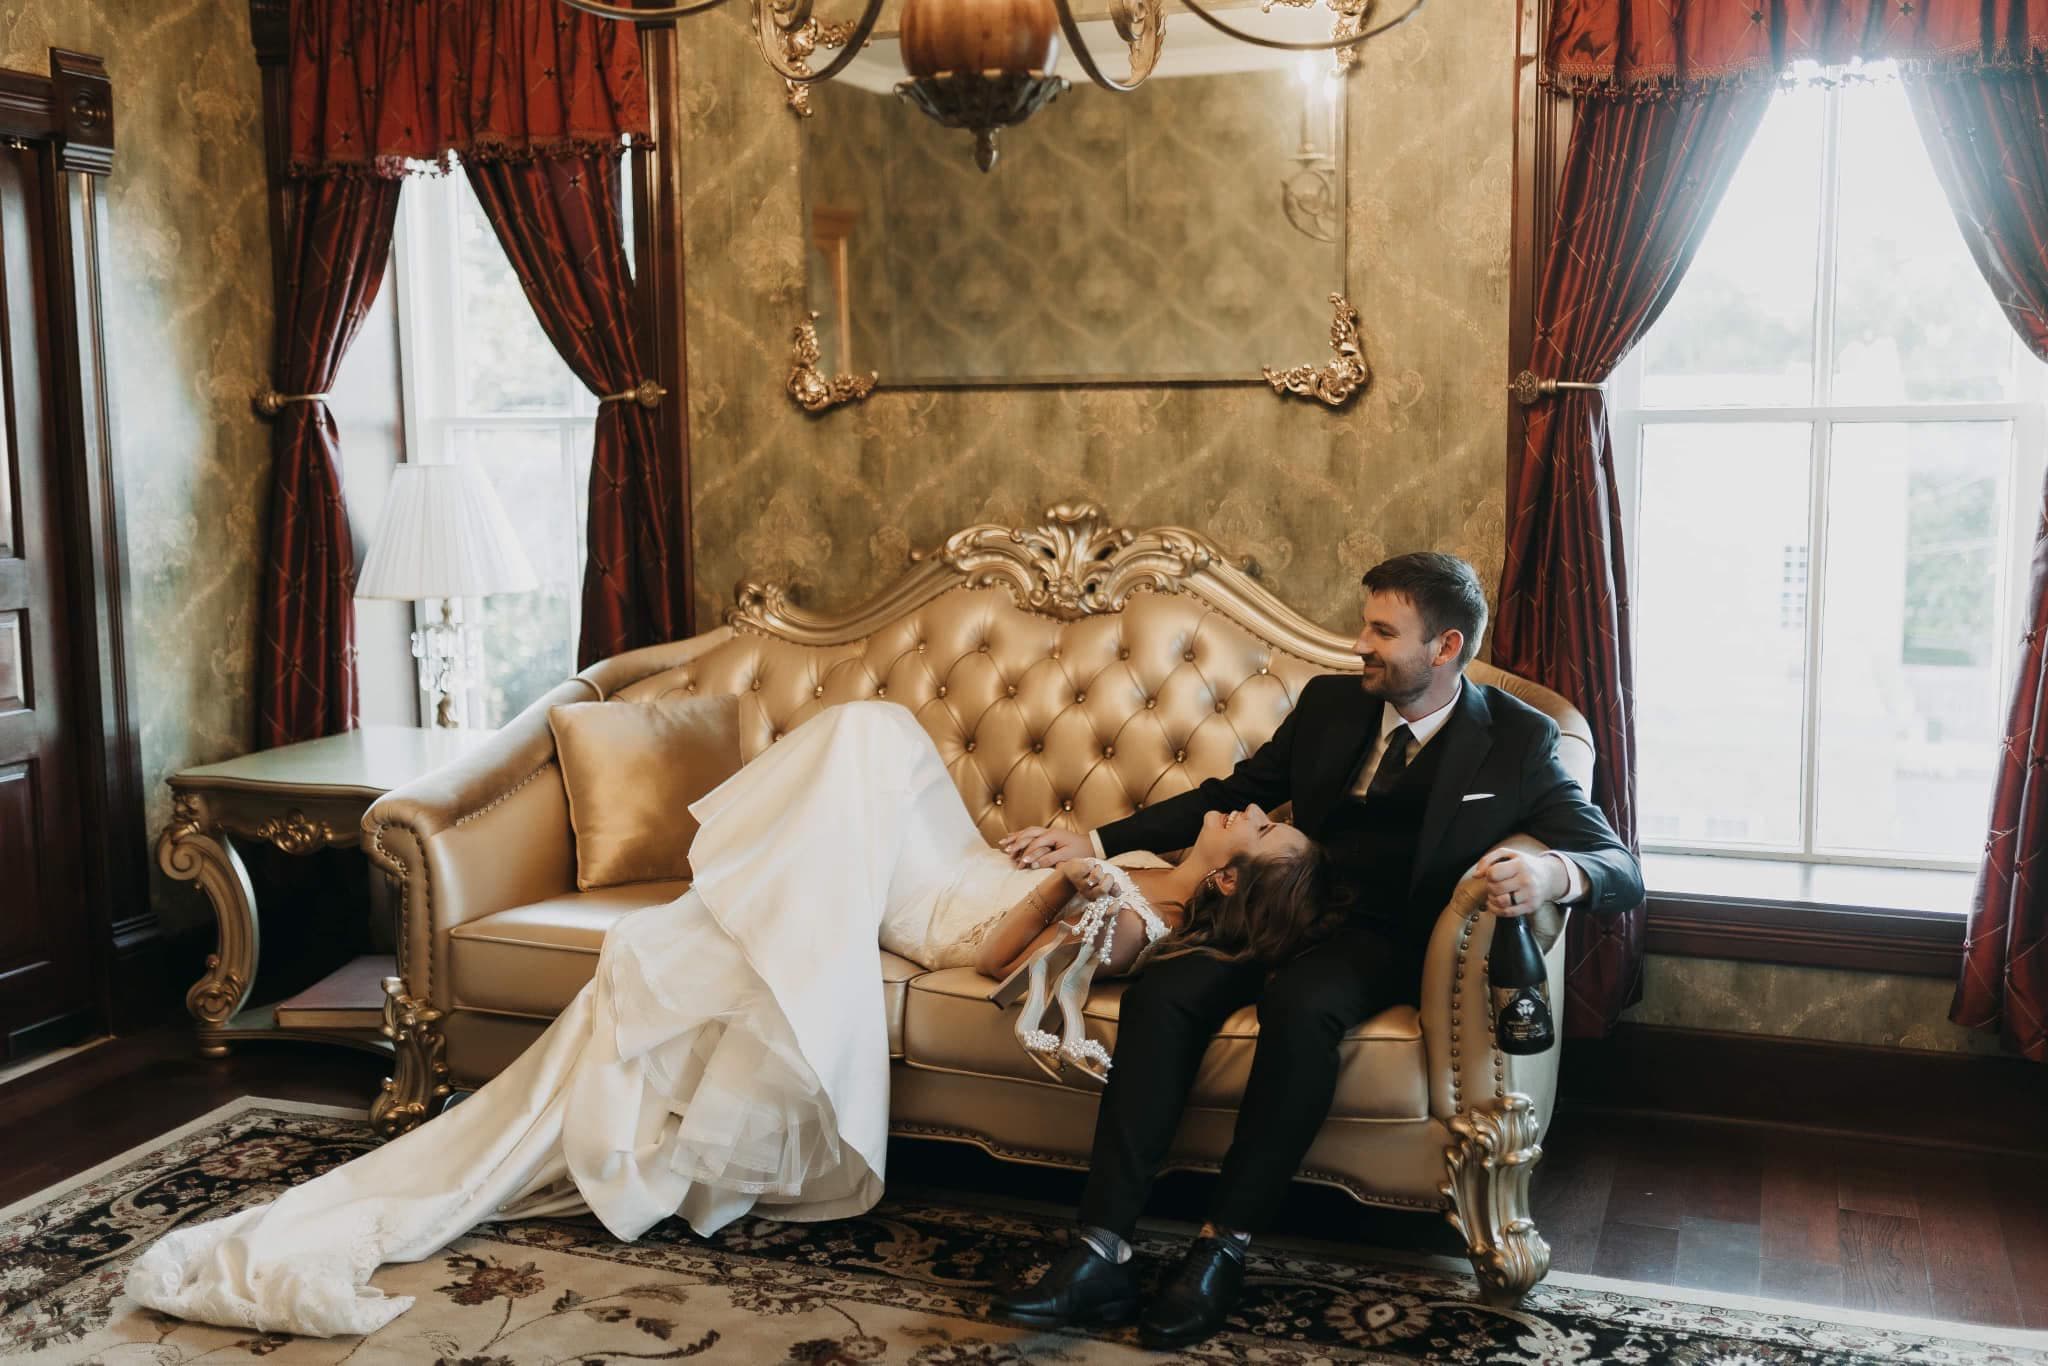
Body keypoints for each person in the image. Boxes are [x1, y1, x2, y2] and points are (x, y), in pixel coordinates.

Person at [122, 700, 1332, 1339]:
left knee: (864, 735)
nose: (1250, 811)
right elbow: (1048, 880)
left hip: (945, 913)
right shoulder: (1153, 861)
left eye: (1259, 827)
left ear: (1227, 880)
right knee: (870, 735)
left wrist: (1065, 886)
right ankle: (744, 890)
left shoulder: (1140, 918)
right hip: (961, 868)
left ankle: (731, 887)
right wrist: (1076, 847)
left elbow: (1003, 960)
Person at [992, 552, 1644, 1350]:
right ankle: (1101, 1251)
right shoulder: (1333, 704)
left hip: (1385, 936)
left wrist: (1551, 869)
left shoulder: (1517, 740)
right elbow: (1235, 794)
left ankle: (1220, 1247)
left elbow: (1620, 869)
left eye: (1380, 630)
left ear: (1443, 649)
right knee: (1164, 990)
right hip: (1280, 911)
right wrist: (1092, 838)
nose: (1357, 643)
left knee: (1300, 1005)